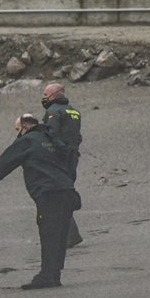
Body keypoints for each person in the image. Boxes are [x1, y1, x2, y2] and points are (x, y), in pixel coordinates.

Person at [0, 114, 81, 289]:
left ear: (25, 127)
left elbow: (7, 160)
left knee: (49, 233)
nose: (17, 133)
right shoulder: (53, 139)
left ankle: (46, 275)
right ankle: (54, 275)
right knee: (60, 236)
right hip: (67, 190)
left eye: (17, 130)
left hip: (49, 192)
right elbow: (71, 158)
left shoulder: (28, 140)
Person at [41, 82, 84, 248]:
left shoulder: (53, 111)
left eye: (45, 95)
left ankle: (69, 236)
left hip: (60, 158)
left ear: (53, 95)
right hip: (73, 158)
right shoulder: (75, 112)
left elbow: (51, 135)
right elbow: (77, 137)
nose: (44, 98)